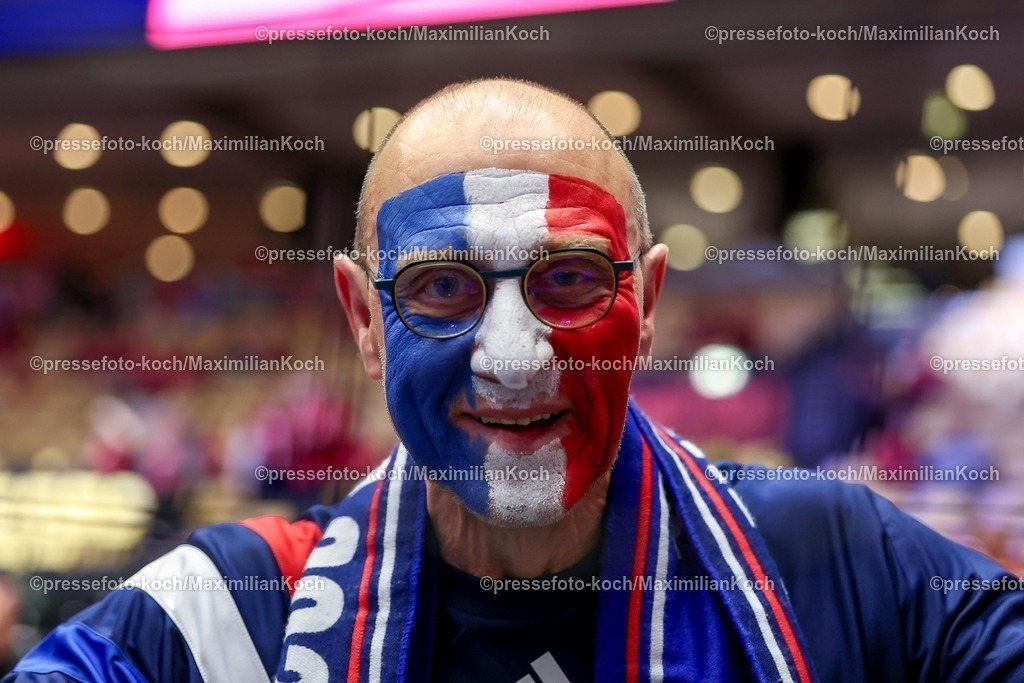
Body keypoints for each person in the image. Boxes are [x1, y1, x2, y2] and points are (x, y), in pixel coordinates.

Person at [7, 79, 1023, 683]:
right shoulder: (229, 615)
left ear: (650, 300)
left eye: (568, 279)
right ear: (363, 318)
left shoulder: (833, 565)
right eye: (443, 287)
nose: (514, 352)